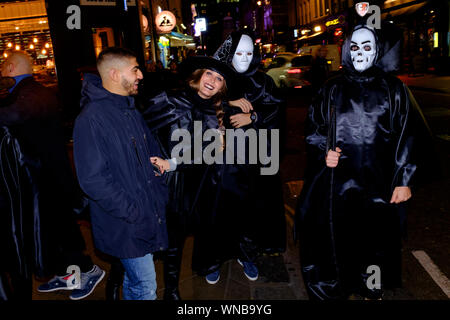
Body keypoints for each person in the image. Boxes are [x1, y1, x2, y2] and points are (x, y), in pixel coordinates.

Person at [295, 22, 434, 300]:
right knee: (340, 236)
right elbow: (314, 127)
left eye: (367, 47)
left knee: (376, 238)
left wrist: (404, 180)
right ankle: (340, 285)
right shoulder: (331, 89)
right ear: (347, 50)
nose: (360, 53)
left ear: (377, 52)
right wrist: (324, 149)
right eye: (354, 47)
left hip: (379, 182)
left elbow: (408, 134)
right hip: (338, 184)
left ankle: (370, 285)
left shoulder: (394, 89)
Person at [0, 52, 105, 300]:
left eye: (3, 69)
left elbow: (12, 115)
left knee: (62, 229)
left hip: (50, 177)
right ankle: (70, 273)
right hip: (45, 176)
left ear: (11, 67)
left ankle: (88, 271)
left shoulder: (33, 94)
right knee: (54, 231)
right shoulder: (31, 91)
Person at [73, 47, 173, 300]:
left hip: (143, 215)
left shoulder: (128, 108)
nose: (140, 75)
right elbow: (93, 180)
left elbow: (149, 154)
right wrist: (133, 211)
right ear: (115, 74)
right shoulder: (91, 118)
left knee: (135, 281)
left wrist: (159, 182)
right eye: (135, 69)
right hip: (127, 221)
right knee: (146, 287)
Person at [141, 55, 235, 299]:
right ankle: (128, 281)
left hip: (191, 184)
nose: (212, 81)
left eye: (219, 78)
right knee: (145, 236)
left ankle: (171, 289)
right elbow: (139, 130)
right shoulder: (169, 100)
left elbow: (206, 154)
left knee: (177, 240)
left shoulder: (216, 111)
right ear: (198, 75)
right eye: (209, 74)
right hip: (159, 181)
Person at [213, 30, 287, 268]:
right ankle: (221, 253)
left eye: (248, 53)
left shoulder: (264, 82)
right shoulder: (217, 79)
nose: (244, 58)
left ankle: (249, 252)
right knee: (224, 206)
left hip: (256, 156)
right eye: (238, 53)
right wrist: (226, 102)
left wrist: (253, 117)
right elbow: (198, 101)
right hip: (225, 157)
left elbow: (277, 112)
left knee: (255, 204)